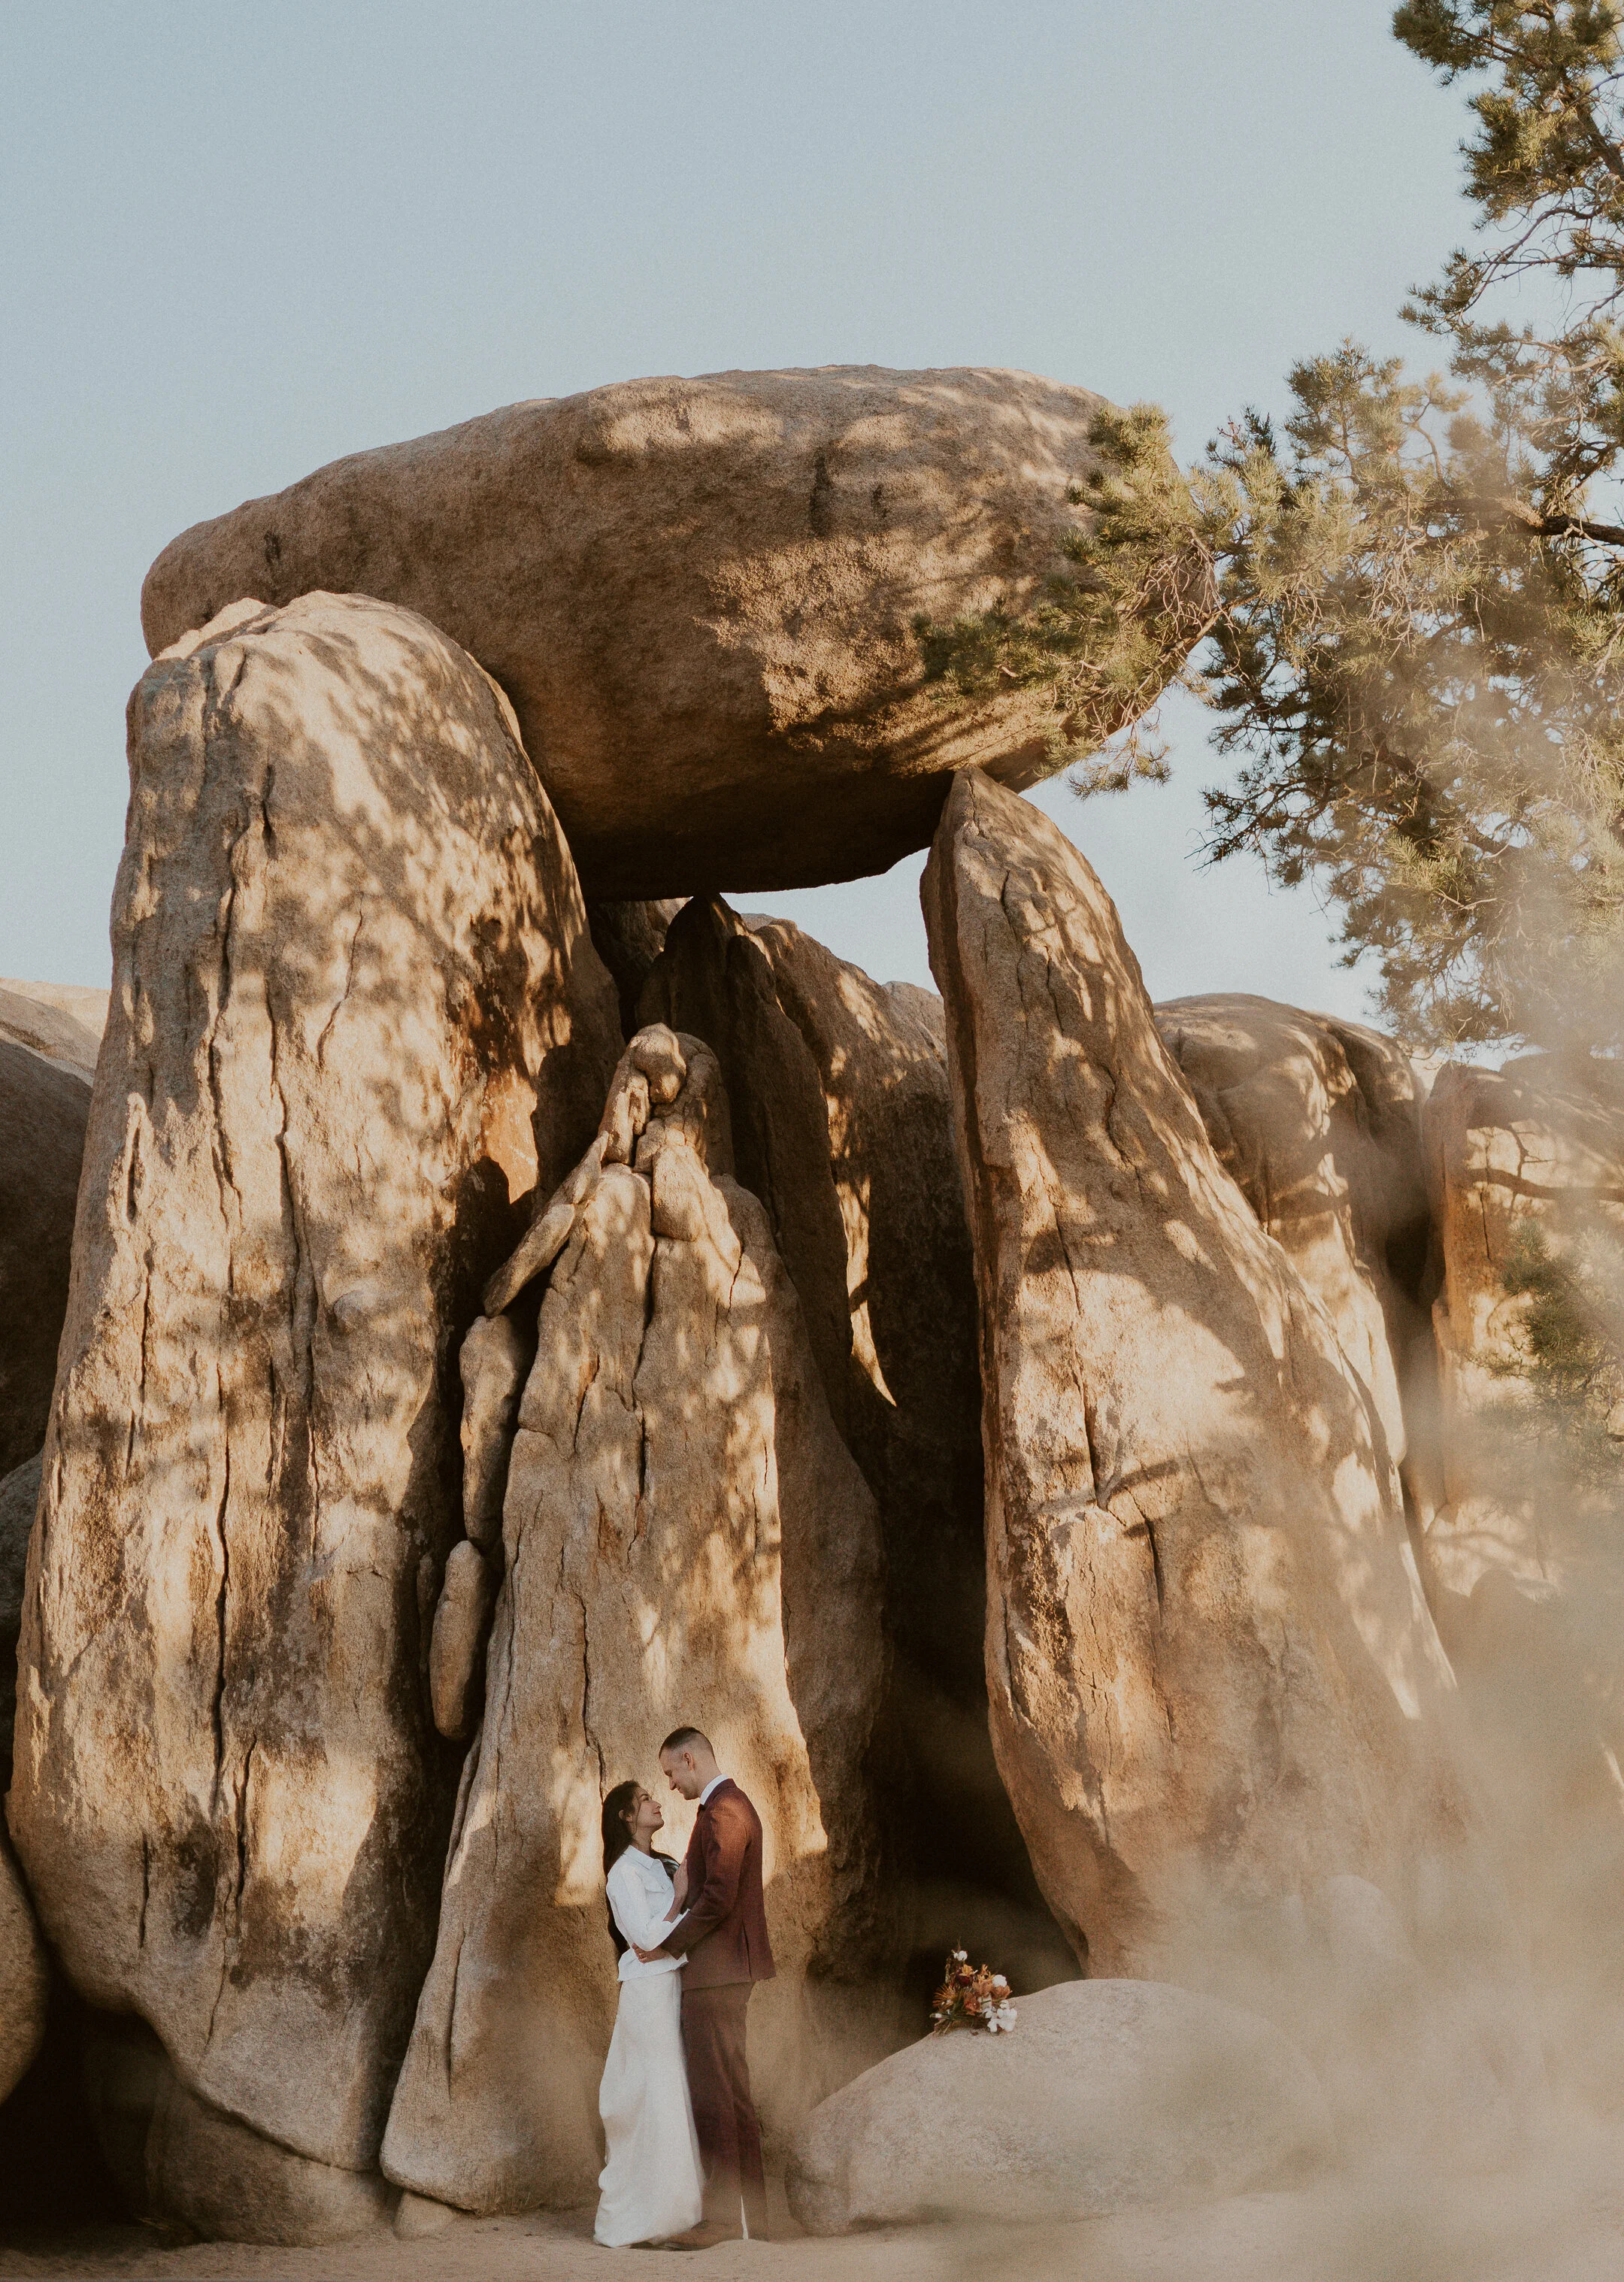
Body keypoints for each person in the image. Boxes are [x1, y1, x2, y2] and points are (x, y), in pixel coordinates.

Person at [634, 1726, 775, 2249]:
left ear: (690, 1759)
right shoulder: (725, 1809)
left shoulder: (725, 1811)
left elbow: (717, 1898)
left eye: (671, 1772)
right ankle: (754, 2221)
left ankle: (719, 2222)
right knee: (732, 2095)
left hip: (717, 1974)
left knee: (715, 2096)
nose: (669, 1784)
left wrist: (666, 1943)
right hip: (726, 1971)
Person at [592, 1779, 704, 2249]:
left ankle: (678, 2212)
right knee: (653, 2096)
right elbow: (642, 1937)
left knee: (671, 2093)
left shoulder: (660, 1863)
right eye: (645, 1801)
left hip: (669, 1985)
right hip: (647, 1994)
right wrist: (678, 1900)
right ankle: (640, 2219)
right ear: (626, 1817)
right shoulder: (624, 1873)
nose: (657, 1803)